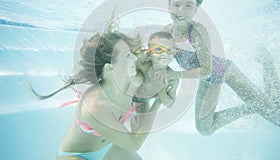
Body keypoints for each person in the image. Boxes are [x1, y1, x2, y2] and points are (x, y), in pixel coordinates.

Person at [164, 0, 280, 135]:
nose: (180, 11)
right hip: (207, 79)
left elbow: (206, 69)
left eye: (188, 6)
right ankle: (252, 106)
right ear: (169, 6)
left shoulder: (198, 32)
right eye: (176, 5)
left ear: (196, 8)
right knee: (204, 128)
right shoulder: (167, 32)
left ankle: (267, 64)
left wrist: (175, 75)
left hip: (223, 71)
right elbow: (163, 59)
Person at [31, 28, 179, 159]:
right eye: (128, 56)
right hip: (76, 155)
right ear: (110, 68)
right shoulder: (95, 105)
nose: (134, 58)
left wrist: (167, 84)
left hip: (108, 149)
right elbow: (134, 143)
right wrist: (158, 102)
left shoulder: (134, 79)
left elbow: (159, 87)